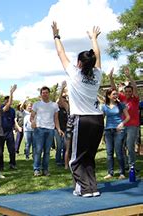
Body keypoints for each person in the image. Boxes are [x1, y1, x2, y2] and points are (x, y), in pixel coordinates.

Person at [52, 22, 104, 197]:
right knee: (89, 156)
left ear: (79, 63)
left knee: (75, 158)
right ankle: (91, 188)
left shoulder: (75, 73)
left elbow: (61, 53)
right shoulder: (97, 74)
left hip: (81, 119)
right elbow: (97, 55)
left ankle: (83, 188)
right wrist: (94, 39)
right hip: (97, 120)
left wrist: (56, 35)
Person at [109, 67, 140, 170]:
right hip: (122, 125)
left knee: (130, 146)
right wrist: (111, 78)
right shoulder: (122, 99)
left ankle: (132, 166)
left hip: (132, 126)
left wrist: (129, 77)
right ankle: (125, 164)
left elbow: (135, 87)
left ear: (131, 92)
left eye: (129, 91)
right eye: (126, 91)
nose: (128, 93)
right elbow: (114, 89)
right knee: (121, 147)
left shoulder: (135, 99)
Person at [30, 86, 63, 177]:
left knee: (47, 151)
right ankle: (36, 169)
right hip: (39, 129)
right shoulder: (36, 104)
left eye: (46, 92)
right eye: (43, 93)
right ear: (41, 94)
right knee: (38, 150)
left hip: (50, 130)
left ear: (49, 93)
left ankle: (45, 170)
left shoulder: (54, 105)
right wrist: (33, 122)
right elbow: (32, 116)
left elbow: (56, 119)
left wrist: (59, 129)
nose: (45, 94)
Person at [102, 88, 130, 180]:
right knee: (109, 153)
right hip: (108, 131)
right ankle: (110, 173)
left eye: (116, 94)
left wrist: (122, 124)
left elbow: (128, 117)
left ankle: (122, 173)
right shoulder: (104, 107)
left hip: (119, 131)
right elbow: (101, 118)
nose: (115, 96)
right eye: (113, 94)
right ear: (108, 96)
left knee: (118, 151)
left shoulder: (121, 105)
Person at [55, 81, 69, 167]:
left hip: (66, 129)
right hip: (57, 129)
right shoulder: (56, 108)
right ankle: (58, 161)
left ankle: (64, 161)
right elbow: (59, 98)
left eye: (65, 100)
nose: (63, 101)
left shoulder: (67, 108)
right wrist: (62, 88)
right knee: (59, 146)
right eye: (62, 100)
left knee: (65, 146)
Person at [1, 95, 17, 170]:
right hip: (1, 131)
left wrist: (15, 128)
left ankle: (12, 164)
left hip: (9, 132)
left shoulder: (12, 110)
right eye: (7, 101)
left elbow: (13, 120)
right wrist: (11, 93)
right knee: (0, 150)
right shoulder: (1, 108)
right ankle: (0, 165)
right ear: (5, 101)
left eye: (10, 101)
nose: (9, 102)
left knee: (12, 149)